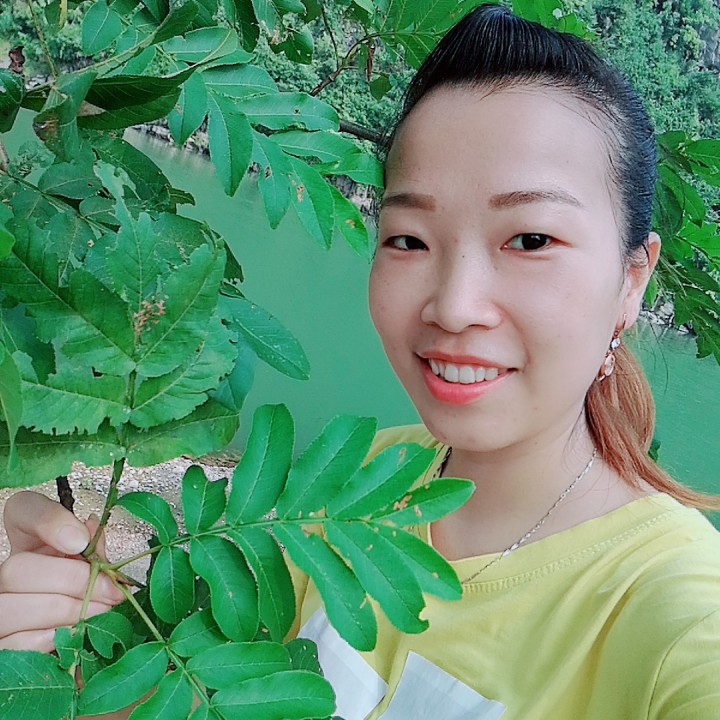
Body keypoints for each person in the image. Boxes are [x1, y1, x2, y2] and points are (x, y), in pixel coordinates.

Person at [2, 4, 719, 719]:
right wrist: (75, 657)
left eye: (530, 239)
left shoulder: (675, 613)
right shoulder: (353, 483)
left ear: (632, 279)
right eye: (409, 239)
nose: (455, 306)